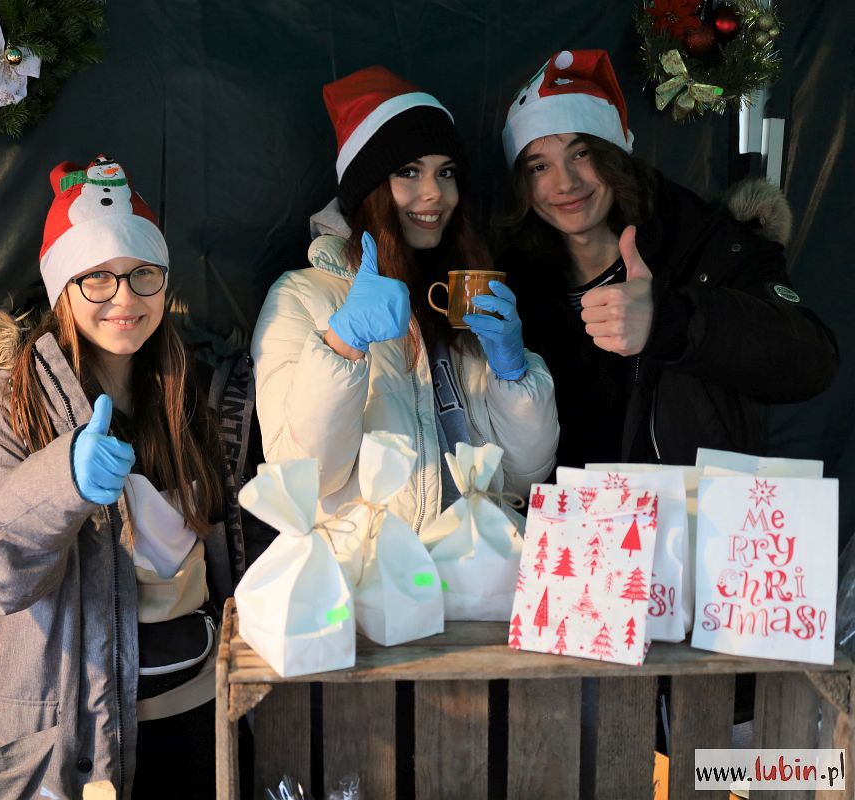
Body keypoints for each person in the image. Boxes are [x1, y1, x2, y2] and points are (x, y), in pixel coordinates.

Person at [0, 156, 243, 800]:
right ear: (61, 289)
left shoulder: (188, 395)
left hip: (194, 715)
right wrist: (63, 483)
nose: (126, 298)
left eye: (142, 275)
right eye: (97, 280)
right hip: (67, 738)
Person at [497, 49, 839, 468]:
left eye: (581, 153)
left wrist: (670, 321)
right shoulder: (514, 280)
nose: (564, 183)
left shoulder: (709, 243)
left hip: (691, 521)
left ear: (614, 155)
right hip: (562, 522)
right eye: (538, 166)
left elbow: (811, 363)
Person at [252, 66, 558, 530]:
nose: (435, 192)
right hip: (373, 583)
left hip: (483, 575)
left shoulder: (463, 291)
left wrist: (515, 376)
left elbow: (524, 477)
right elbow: (301, 485)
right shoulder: (301, 297)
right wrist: (342, 344)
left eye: (446, 172)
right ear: (370, 190)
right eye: (409, 172)